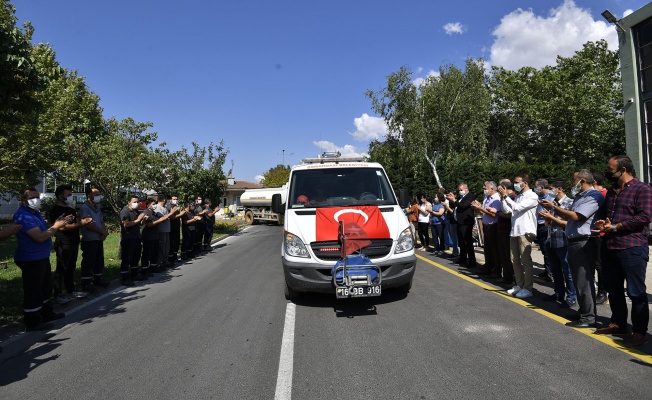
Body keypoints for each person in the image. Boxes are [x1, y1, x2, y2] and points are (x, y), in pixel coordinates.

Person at [593, 155, 652, 347]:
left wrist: (617, 227)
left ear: (624, 169)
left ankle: (639, 331)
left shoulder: (642, 189)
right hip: (610, 247)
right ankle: (618, 323)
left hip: (632, 247)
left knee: (636, 293)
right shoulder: (612, 191)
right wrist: (603, 222)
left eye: (611, 169)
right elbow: (605, 215)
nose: (608, 173)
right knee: (614, 290)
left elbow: (645, 217)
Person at [547, 170, 603, 328]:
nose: (572, 183)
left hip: (584, 242)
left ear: (583, 181)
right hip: (573, 241)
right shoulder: (580, 196)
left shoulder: (594, 196)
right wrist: (555, 209)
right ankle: (584, 311)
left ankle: (588, 317)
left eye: (574, 180)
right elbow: (568, 215)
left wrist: (554, 208)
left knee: (584, 280)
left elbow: (577, 216)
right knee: (579, 280)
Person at [13, 188, 72, 331]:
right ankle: (32, 321)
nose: (37, 200)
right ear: (23, 200)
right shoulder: (22, 216)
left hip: (41, 257)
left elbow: (44, 230)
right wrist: (57, 227)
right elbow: (40, 237)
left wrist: (56, 224)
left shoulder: (35, 213)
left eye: (38, 197)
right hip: (30, 258)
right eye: (33, 197)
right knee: (33, 290)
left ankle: (46, 312)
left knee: (45, 287)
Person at [498, 174, 538, 299]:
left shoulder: (532, 196)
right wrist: (503, 199)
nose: (514, 185)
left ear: (525, 183)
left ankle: (528, 288)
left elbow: (517, 208)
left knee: (525, 261)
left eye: (517, 182)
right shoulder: (519, 196)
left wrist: (506, 196)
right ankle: (519, 285)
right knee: (514, 260)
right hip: (514, 231)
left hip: (525, 231)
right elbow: (507, 210)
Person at [539, 180, 576, 308]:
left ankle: (571, 296)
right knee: (555, 270)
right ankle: (559, 293)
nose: (549, 191)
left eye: (551, 188)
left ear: (559, 189)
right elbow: (548, 224)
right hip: (551, 240)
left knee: (568, 271)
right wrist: (546, 218)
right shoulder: (552, 203)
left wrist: (552, 215)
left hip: (563, 241)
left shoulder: (569, 203)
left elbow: (568, 224)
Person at [49, 185, 90, 304]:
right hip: (63, 242)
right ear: (60, 195)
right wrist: (80, 224)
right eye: (69, 195)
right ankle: (58, 293)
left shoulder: (71, 209)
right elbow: (62, 227)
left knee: (71, 267)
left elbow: (76, 223)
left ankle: (70, 290)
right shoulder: (55, 210)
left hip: (74, 241)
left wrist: (83, 222)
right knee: (61, 267)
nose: (71, 197)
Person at [79, 188, 110, 292]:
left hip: (98, 238)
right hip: (89, 239)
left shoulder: (97, 208)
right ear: (88, 195)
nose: (98, 196)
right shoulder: (85, 208)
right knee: (89, 261)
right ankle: (86, 283)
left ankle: (98, 279)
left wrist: (104, 231)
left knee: (99, 260)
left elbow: (101, 221)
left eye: (98, 194)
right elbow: (88, 224)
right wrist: (101, 232)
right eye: (95, 194)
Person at [472, 181, 501, 276]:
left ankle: (497, 270)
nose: (484, 190)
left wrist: (480, 209)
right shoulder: (487, 198)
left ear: (492, 189)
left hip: (493, 225)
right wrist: (480, 207)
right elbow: (485, 211)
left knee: (494, 249)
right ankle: (488, 266)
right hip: (486, 225)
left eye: (486, 188)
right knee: (487, 249)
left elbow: (493, 214)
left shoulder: (496, 198)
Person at [119, 195, 148, 286]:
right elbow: (126, 224)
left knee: (136, 257)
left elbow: (138, 223)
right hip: (128, 238)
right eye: (134, 202)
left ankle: (135, 274)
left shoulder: (136, 212)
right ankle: (125, 277)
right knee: (127, 258)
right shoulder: (125, 211)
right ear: (129, 202)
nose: (136, 204)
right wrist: (138, 219)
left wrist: (143, 220)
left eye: (137, 202)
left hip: (136, 237)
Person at [447, 183, 476, 267]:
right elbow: (455, 205)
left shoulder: (470, 196)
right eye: (459, 190)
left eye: (461, 190)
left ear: (466, 189)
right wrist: (451, 199)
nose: (460, 192)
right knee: (461, 242)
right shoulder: (460, 197)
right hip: (459, 222)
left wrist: (455, 200)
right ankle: (462, 258)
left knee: (467, 242)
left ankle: (472, 261)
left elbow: (463, 206)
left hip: (466, 223)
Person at [591, 170, 608, 305]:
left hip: (600, 234)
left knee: (599, 265)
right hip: (591, 233)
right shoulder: (596, 195)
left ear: (594, 182)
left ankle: (602, 292)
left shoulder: (603, 195)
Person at [534, 178, 554, 282]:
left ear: (542, 187)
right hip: (539, 225)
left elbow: (553, 209)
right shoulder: (540, 197)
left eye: (536, 187)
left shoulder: (550, 197)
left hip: (546, 225)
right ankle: (547, 270)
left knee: (547, 249)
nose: (535, 189)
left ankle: (550, 272)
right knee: (543, 249)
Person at [496, 179, 515, 283]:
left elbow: (510, 213)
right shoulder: (503, 198)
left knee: (509, 255)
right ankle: (507, 277)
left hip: (508, 229)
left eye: (500, 188)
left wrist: (498, 213)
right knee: (503, 255)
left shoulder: (513, 198)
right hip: (502, 229)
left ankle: (512, 277)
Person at [140, 198, 160, 275]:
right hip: (148, 237)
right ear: (148, 205)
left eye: (155, 204)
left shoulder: (154, 212)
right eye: (153, 204)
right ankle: (144, 269)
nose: (155, 205)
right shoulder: (146, 212)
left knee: (155, 252)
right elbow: (149, 224)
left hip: (155, 236)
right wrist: (160, 220)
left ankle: (153, 267)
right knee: (147, 253)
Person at [167, 195, 185, 264]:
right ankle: (170, 259)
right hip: (171, 227)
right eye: (174, 199)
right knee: (172, 243)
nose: (175, 200)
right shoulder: (169, 206)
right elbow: (171, 217)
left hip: (177, 227)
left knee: (177, 243)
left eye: (176, 199)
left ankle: (174, 257)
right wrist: (180, 215)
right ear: (171, 200)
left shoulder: (177, 206)